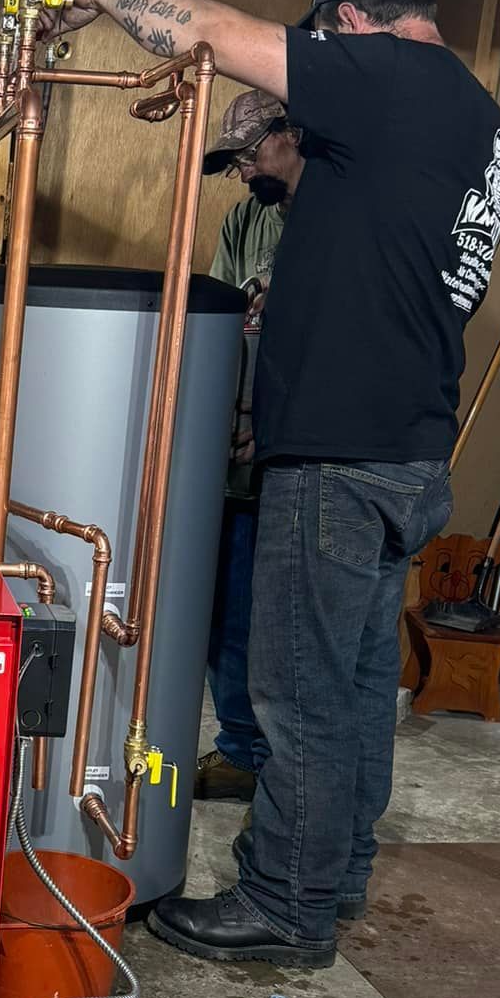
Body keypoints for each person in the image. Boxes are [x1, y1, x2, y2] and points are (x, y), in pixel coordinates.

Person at [41, 0, 500, 970]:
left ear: (349, 19)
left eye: (323, 33)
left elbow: (213, 32)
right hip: (406, 450)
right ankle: (335, 876)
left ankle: (283, 905)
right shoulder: (484, 125)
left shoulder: (389, 78)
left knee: (296, 691)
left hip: (342, 459)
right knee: (351, 690)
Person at [196, 89, 305, 804]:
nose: (242, 171)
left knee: (284, 621)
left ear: (289, 134)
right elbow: (219, 311)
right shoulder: (248, 217)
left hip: (299, 454)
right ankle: (240, 745)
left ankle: (279, 759)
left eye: (249, 154)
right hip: (235, 454)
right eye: (233, 162)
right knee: (227, 608)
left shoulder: (334, 216)